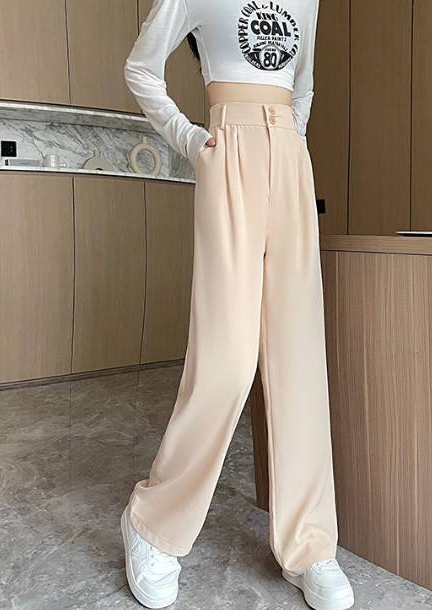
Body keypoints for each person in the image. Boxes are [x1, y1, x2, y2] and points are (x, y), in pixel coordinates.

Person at [120, 1, 354, 609]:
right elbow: (141, 67)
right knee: (225, 360)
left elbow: (303, 83)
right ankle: (152, 524)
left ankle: (310, 544)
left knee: (298, 359)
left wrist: (290, 143)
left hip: (290, 158)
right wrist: (192, 139)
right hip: (229, 152)